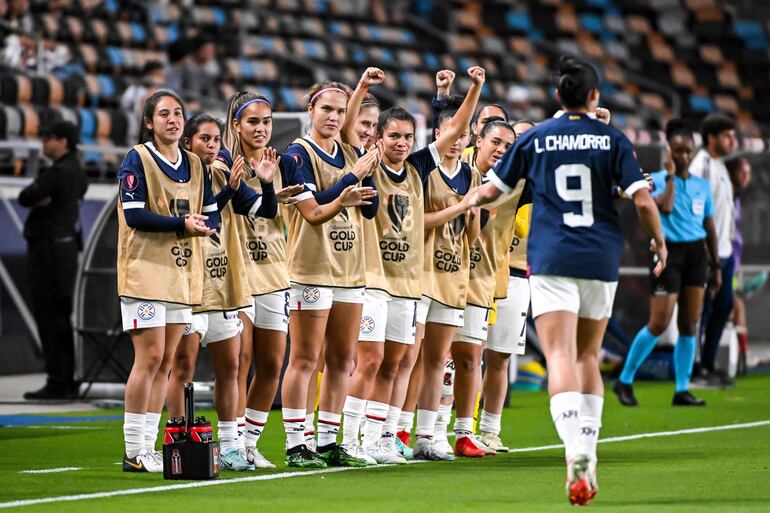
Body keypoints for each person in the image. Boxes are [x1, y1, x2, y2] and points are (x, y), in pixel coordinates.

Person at [472, 56, 666, 505]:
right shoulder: (612, 138)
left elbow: (491, 192)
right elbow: (641, 200)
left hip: (551, 256)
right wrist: (659, 242)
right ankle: (589, 451)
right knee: (588, 355)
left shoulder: (536, 138)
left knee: (558, 353)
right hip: (599, 257)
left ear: (557, 96)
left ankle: (574, 452)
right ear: (595, 97)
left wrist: (460, 206)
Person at [340, 68, 486, 464]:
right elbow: (347, 129)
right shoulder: (367, 162)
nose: (402, 143)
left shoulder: (418, 166)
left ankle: (381, 436)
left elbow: (455, 130)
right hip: (373, 277)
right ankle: (350, 438)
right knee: (371, 359)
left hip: (408, 282)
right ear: (379, 139)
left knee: (399, 362)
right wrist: (362, 89)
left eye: (407, 137)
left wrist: (475, 89)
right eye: (394, 136)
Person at [166, 113, 278, 471]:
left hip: (223, 285)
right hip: (190, 288)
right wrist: (231, 189)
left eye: (216, 140)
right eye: (204, 140)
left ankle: (231, 446)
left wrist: (266, 184)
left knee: (230, 368)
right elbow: (209, 218)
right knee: (182, 366)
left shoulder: (219, 173)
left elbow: (267, 210)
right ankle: (179, 440)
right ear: (188, 144)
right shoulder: (179, 179)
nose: (212, 147)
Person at [280, 78, 381, 468]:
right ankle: (295, 443)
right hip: (312, 268)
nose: (334, 117)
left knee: (342, 361)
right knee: (304, 359)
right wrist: (350, 181)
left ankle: (326, 441)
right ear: (311, 111)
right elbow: (312, 210)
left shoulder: (354, 152)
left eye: (340, 111)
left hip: (350, 268)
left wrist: (362, 176)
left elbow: (370, 210)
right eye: (327, 109)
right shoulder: (297, 154)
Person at [117, 91, 219, 473]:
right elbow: (135, 215)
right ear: (149, 122)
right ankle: (132, 449)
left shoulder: (195, 163)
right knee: (151, 358)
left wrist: (211, 219)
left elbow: (210, 215)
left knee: (167, 364)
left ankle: (148, 445)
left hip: (180, 274)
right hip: (145, 272)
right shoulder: (137, 158)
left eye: (178, 113)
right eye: (164, 114)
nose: (173, 120)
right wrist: (182, 224)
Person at [219, 91, 305, 469]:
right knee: (240, 359)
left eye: (267, 122)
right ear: (236, 125)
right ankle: (231, 442)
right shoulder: (223, 162)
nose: (261, 129)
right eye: (253, 122)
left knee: (272, 363)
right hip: (238, 274)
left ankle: (251, 442)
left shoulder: (284, 162)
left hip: (274, 270)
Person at [613, 120, 720, 407]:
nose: (684, 156)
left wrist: (716, 263)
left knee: (689, 322)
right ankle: (624, 380)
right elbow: (666, 206)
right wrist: (672, 177)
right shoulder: (656, 180)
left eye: (688, 151)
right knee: (659, 322)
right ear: (668, 152)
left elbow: (708, 224)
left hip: (697, 254)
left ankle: (682, 389)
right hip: (667, 253)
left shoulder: (702, 186)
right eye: (678, 151)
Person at [412, 66, 485, 462]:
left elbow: (470, 239)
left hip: (454, 275)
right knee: (409, 358)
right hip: (421, 274)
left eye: (462, 136)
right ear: (439, 134)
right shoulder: (424, 169)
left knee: (439, 361)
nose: (456, 142)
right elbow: (416, 223)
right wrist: (459, 206)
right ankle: (391, 429)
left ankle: (428, 435)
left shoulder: (472, 173)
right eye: (450, 133)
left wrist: (471, 215)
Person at [477, 119, 534, 453]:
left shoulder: (526, 180)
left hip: (512, 275)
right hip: (468, 275)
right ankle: (440, 428)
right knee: (460, 356)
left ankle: (489, 429)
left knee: (499, 359)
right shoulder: (471, 164)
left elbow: (523, 228)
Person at [20, 121, 87, 401]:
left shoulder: (57, 172)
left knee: (49, 316)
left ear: (63, 142)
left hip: (48, 251)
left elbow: (25, 197)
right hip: (66, 249)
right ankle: (65, 378)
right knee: (61, 316)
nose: (43, 144)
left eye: (48, 138)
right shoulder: (79, 172)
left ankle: (57, 380)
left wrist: (41, 198)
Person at [689, 113, 737, 385]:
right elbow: (700, 213)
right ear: (711, 138)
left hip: (726, 252)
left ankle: (708, 362)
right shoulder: (703, 166)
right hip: (709, 253)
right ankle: (696, 368)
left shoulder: (719, 166)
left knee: (724, 305)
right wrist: (709, 256)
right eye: (727, 136)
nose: (732, 141)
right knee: (702, 310)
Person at [726, 157, 752, 375]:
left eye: (749, 172)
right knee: (732, 306)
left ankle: (740, 352)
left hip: (732, 264)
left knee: (736, 306)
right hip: (720, 261)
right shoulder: (724, 196)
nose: (747, 177)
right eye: (743, 172)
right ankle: (736, 352)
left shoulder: (736, 199)